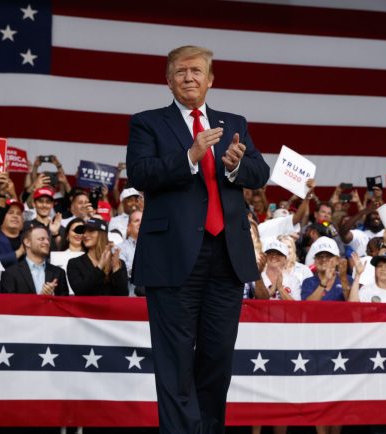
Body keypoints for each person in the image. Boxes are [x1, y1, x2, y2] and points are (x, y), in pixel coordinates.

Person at [126, 45, 270, 434]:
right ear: (168, 79)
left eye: (196, 71)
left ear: (210, 79)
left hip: (227, 256)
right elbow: (140, 172)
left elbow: (260, 173)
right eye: (180, 72)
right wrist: (190, 156)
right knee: (174, 362)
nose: (189, 78)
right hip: (172, 258)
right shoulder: (148, 123)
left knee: (217, 358)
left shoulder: (233, 121)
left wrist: (237, 164)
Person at [67, 218, 128, 296]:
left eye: (91, 231)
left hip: (110, 308)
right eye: (84, 231)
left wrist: (116, 269)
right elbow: (80, 291)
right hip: (86, 308)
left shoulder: (118, 263)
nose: (85, 235)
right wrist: (99, 267)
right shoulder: (74, 263)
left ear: (102, 234)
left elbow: (123, 295)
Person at [1, 226, 68, 295]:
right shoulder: (11, 273)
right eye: (41, 239)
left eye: (48, 239)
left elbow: (65, 302)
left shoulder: (59, 272)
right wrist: (40, 298)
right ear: (27, 242)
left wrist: (52, 296)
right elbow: (9, 303)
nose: (47, 242)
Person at [301, 237, 348, 301]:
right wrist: (324, 281)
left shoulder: (347, 279)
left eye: (328, 256)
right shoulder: (308, 282)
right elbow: (308, 307)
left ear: (337, 260)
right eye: (320, 256)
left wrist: (344, 281)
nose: (324, 259)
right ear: (315, 261)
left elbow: (355, 307)